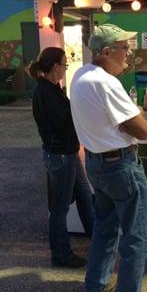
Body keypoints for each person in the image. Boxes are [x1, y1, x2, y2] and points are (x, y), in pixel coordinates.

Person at [70, 24, 147, 292]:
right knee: (138, 241)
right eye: (124, 48)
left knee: (105, 229)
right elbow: (142, 130)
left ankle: (96, 286)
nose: (128, 53)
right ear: (106, 52)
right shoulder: (106, 82)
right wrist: (137, 111)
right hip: (121, 166)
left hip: (96, 164)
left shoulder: (81, 74)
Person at [28, 47, 94, 268]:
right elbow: (63, 123)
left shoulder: (50, 88)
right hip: (61, 155)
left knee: (85, 196)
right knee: (60, 207)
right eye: (65, 64)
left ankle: (98, 241)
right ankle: (61, 254)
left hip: (66, 153)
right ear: (55, 67)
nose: (66, 67)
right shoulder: (45, 91)